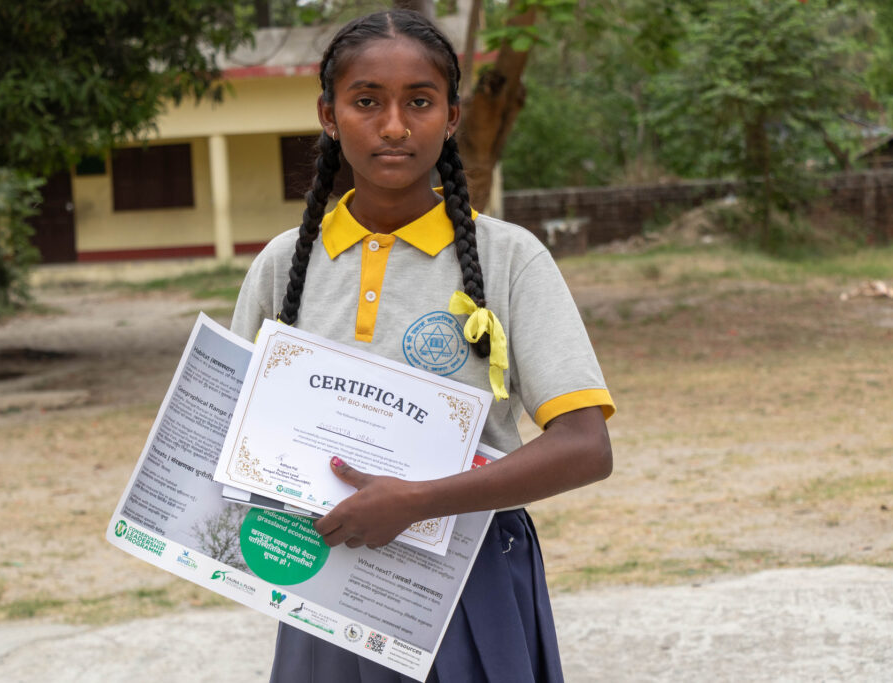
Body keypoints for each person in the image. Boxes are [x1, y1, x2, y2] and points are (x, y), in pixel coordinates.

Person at [230, 9, 615, 682]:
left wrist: (419, 500)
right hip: (326, 579)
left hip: (469, 580)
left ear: (452, 116)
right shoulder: (281, 265)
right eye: (367, 101)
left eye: (420, 101)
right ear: (328, 115)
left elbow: (585, 446)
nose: (395, 126)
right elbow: (227, 433)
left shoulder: (509, 259)